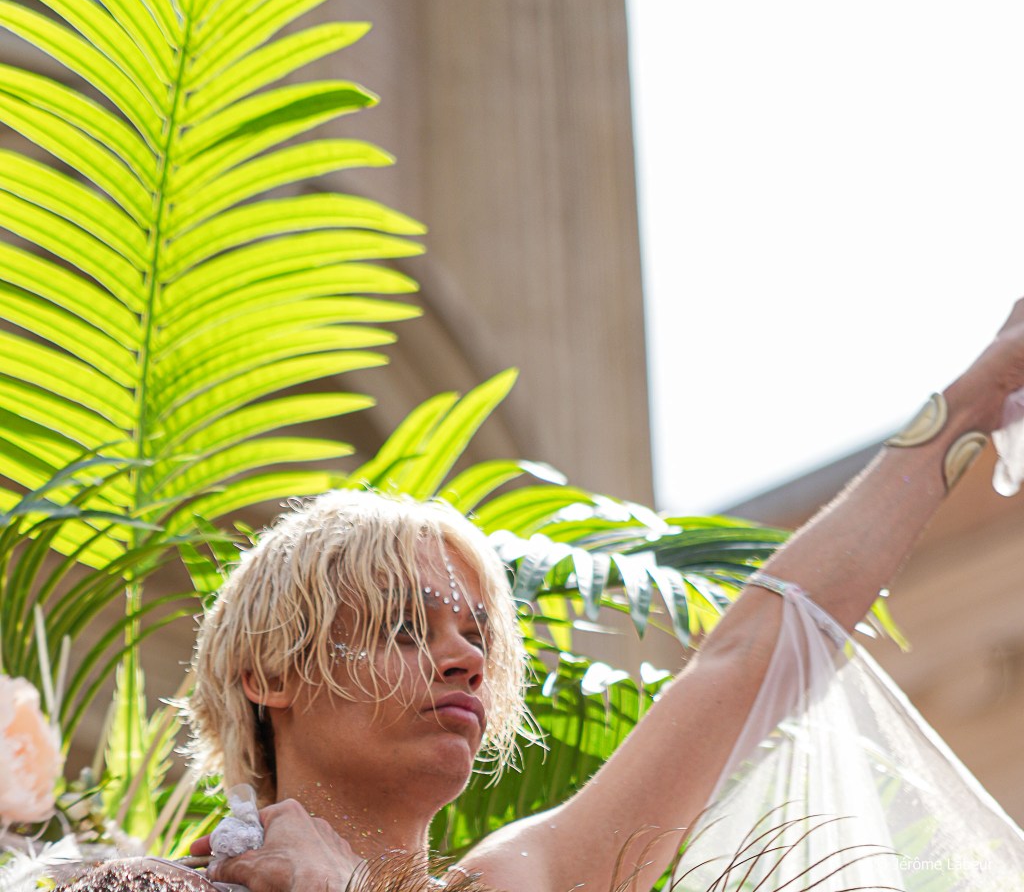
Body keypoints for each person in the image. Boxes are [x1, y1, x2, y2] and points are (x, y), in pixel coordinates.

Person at [84, 299, 1024, 892]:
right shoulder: (137, 889)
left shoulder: (528, 879)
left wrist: (979, 397)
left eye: (478, 633)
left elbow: (748, 655)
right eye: (406, 627)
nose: (463, 658)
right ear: (270, 675)